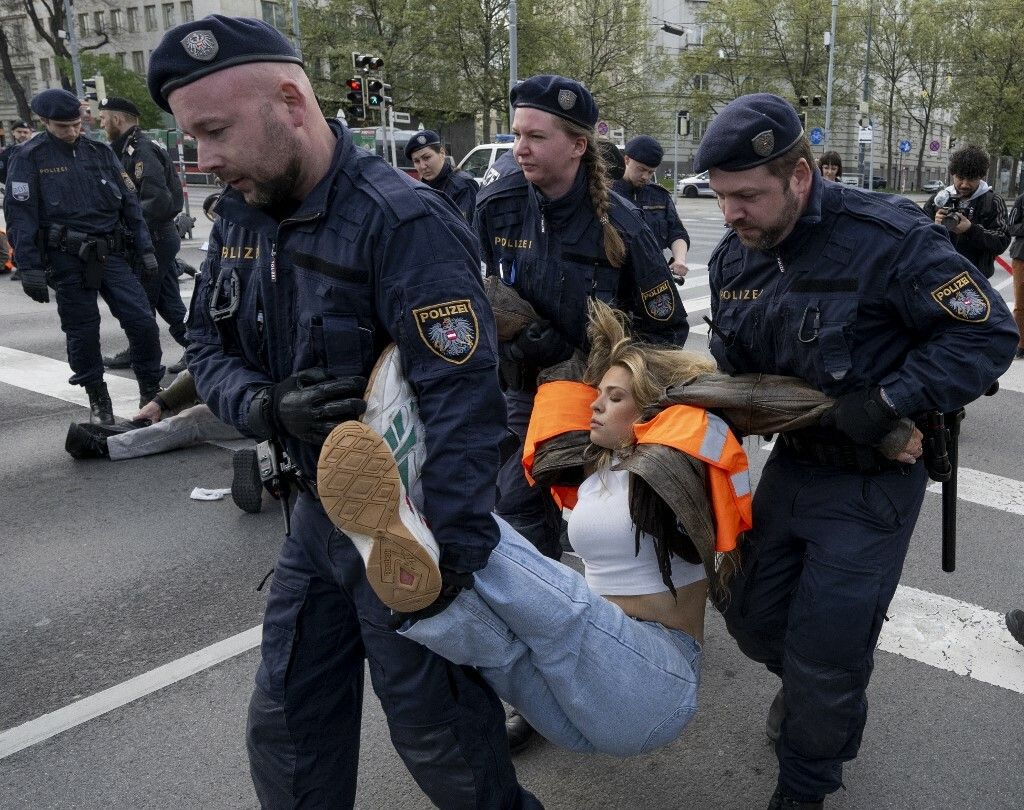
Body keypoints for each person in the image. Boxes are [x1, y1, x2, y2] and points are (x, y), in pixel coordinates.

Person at [147, 15, 541, 809]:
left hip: (405, 532)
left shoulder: (402, 221)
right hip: (313, 527)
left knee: (444, 745)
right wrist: (265, 405)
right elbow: (207, 349)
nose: (203, 159)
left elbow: (465, 408)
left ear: (291, 102)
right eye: (192, 138)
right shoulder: (240, 218)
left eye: (215, 131)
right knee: (289, 731)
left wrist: (452, 561)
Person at [314, 300, 918, 758]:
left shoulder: (674, 465)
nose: (596, 406)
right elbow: (563, 370)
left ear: (650, 409)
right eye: (597, 396)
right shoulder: (594, 468)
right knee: (502, 648)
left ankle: (421, 513)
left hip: (652, 680)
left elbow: (761, 399)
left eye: (615, 397)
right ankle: (426, 590)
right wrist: (473, 309)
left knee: (559, 606)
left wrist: (881, 423)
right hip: (583, 705)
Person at [695, 93, 1017, 809]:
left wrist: (888, 402)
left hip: (872, 481)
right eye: (720, 197)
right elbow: (738, 370)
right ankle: (813, 690)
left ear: (799, 175)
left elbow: (987, 334)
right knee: (749, 615)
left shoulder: (887, 239)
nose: (731, 213)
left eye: (747, 196)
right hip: (795, 465)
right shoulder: (735, 259)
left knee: (827, 652)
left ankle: (805, 783)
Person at [474, 75, 690, 750]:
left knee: (616, 533)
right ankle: (541, 678)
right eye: (517, 134)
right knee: (517, 516)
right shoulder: (496, 205)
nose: (520, 148)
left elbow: (668, 330)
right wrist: (513, 336)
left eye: (535, 137)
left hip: (599, 399)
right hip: (523, 395)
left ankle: (638, 651)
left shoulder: (620, 223)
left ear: (578, 144)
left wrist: (603, 368)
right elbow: (470, 292)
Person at [3, 89, 164, 425]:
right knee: (83, 332)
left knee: (142, 322)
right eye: (64, 126)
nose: (73, 132)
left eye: (77, 124)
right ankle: (97, 398)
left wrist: (146, 249)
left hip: (111, 253)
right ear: (44, 122)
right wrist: (29, 266)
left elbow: (130, 205)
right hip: (66, 257)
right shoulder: (29, 156)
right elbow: (21, 215)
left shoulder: (99, 151)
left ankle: (150, 390)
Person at [98, 96, 190, 374]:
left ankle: (144, 354)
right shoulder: (129, 148)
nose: (101, 124)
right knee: (166, 299)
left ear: (117, 119)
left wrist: (133, 230)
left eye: (103, 119)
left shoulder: (142, 150)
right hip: (154, 238)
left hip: (153, 238)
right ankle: (195, 347)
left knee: (140, 302)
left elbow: (155, 202)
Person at [922, 144, 1010, 278]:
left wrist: (970, 229)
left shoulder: (993, 201)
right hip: (938, 275)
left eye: (971, 179)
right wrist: (934, 226)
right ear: (953, 174)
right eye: (960, 178)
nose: (964, 184)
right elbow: (918, 236)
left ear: (981, 177)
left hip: (976, 277)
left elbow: (1002, 241)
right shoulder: (939, 199)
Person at [612, 135, 691, 282]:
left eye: (651, 172)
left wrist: (679, 260)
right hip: (615, 279)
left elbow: (677, 233)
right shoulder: (608, 193)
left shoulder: (659, 196)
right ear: (627, 160)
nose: (645, 176)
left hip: (652, 279)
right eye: (641, 169)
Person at [405, 129, 478, 221]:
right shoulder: (420, 188)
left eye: (426, 158)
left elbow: (465, 227)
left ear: (442, 153)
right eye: (416, 161)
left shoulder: (463, 185)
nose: (422, 166)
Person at [1006, 190, 1024, 358]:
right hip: (1022, 256)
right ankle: (1021, 344)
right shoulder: (1021, 200)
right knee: (1021, 303)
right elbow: (1011, 226)